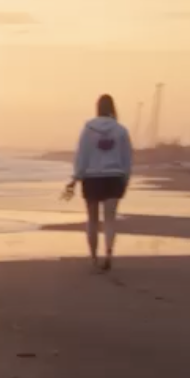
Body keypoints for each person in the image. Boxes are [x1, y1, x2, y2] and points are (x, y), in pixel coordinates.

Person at [61, 92, 134, 270]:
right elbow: (127, 157)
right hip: (114, 176)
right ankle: (108, 253)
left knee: (92, 220)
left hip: (92, 177)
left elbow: (82, 154)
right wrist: (125, 177)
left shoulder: (88, 128)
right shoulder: (121, 130)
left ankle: (93, 257)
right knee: (110, 219)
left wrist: (76, 177)